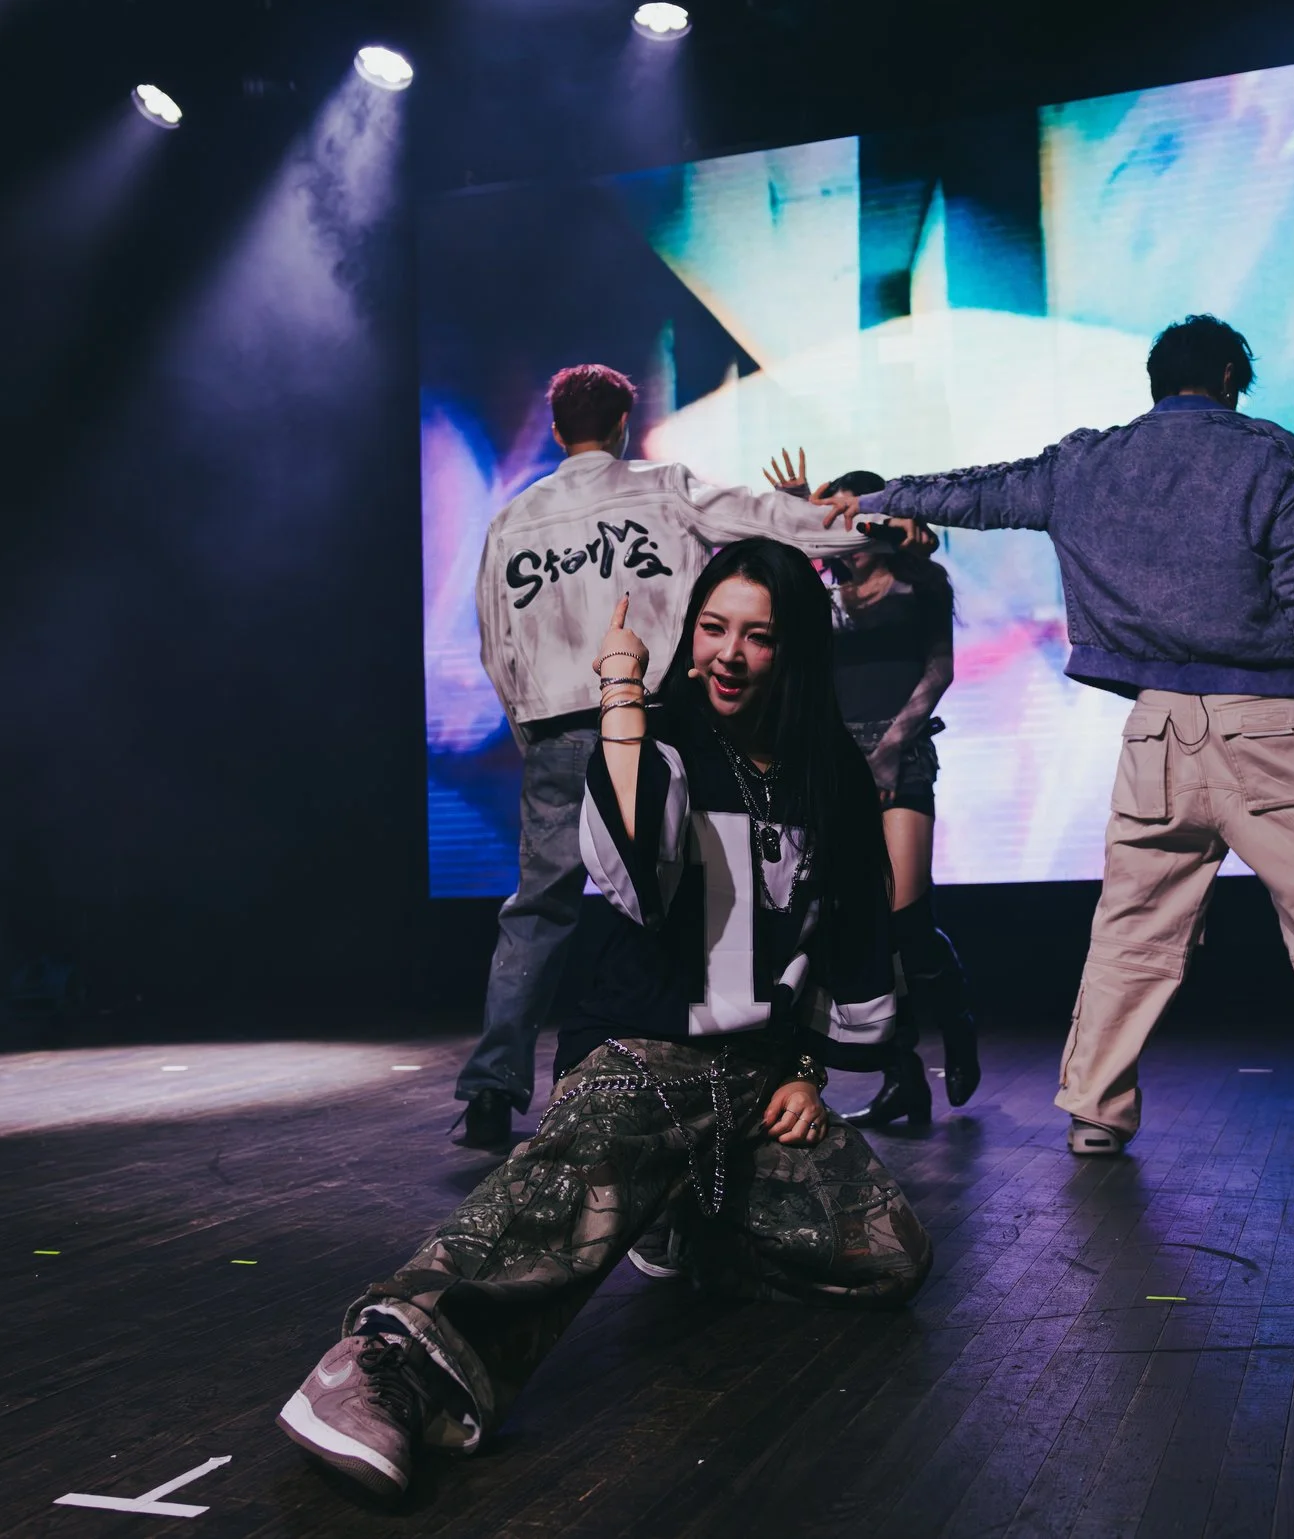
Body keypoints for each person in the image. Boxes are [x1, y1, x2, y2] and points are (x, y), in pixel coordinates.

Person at [279, 541, 933, 1502]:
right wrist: (623, 693)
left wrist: (807, 1068)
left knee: (888, 1256)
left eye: (758, 636)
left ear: (793, 648)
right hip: (647, 1050)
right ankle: (384, 1364)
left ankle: (677, 1213)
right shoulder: (659, 736)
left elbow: (839, 931)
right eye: (712, 628)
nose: (729, 654)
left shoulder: (826, 766)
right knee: (560, 1196)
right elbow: (634, 871)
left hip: (755, 1075)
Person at [814, 315, 1294, 1167]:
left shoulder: (1086, 463)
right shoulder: (1268, 454)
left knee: (1131, 937)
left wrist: (875, 499)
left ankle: (1095, 1112)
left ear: (1155, 383)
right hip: (1268, 727)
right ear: (1230, 378)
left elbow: (979, 490)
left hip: (1158, 733)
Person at [457, 365, 868, 1150]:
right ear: (622, 424)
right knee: (679, 900)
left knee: (539, 909)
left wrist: (528, 729)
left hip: (555, 725)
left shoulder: (513, 517)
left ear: (556, 429)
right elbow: (765, 518)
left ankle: (490, 1088)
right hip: (660, 719)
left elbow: (494, 640)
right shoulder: (664, 487)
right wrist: (856, 525)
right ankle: (691, 1066)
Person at [764, 454, 979, 1128]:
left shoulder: (919, 584)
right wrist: (797, 515)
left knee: (905, 918)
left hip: (900, 755)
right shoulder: (821, 596)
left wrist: (887, 752)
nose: (844, 532)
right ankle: (902, 1075)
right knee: (856, 926)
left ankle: (957, 1022)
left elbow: (939, 671)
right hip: (833, 763)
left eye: (850, 517)